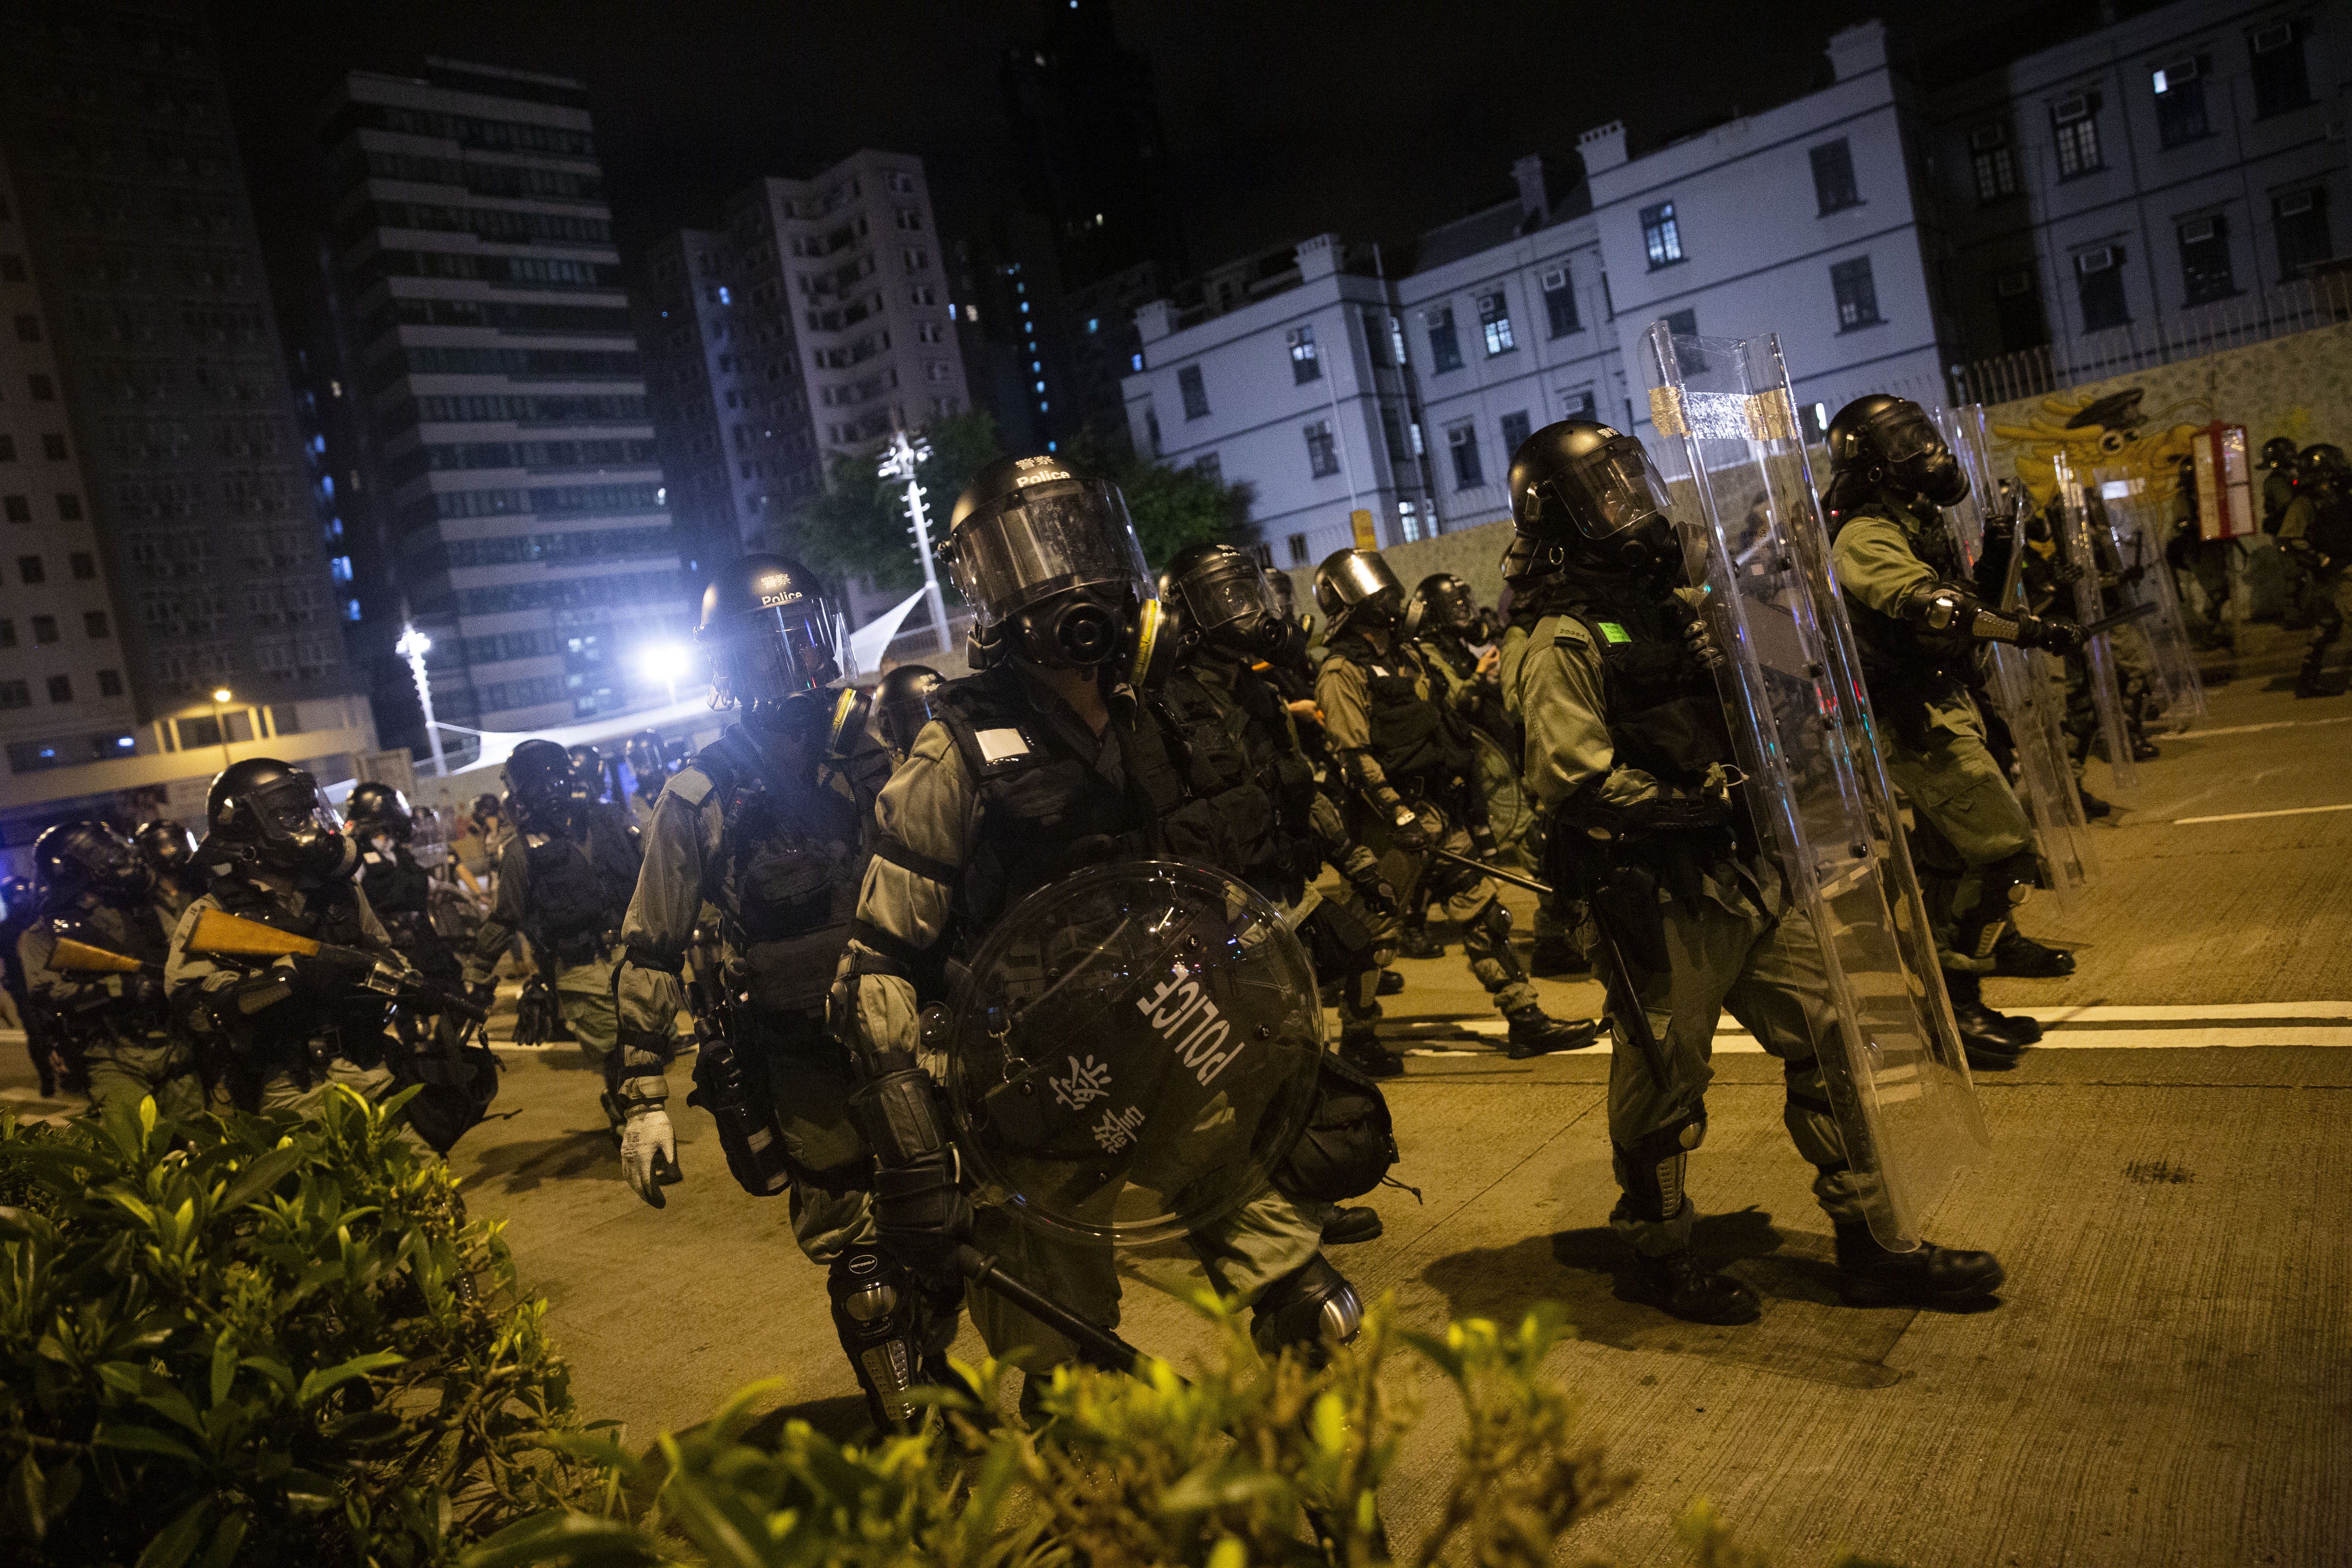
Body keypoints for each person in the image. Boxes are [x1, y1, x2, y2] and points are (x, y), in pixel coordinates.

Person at [834, 453, 1368, 1393]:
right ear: (984, 585)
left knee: (1311, 1301)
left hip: (1167, 1045)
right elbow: (877, 959)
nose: (1065, 578)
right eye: (1029, 557)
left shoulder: (1143, 712)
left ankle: (1332, 1516)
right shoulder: (954, 748)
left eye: (1077, 542)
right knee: (1073, 1382)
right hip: (1031, 1094)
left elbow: (1206, 865)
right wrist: (913, 1138)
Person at [1499, 417, 2005, 1321]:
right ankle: (1656, 1253)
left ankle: (1873, 1244)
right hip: (1656, 897)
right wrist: (1701, 803)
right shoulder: (1559, 637)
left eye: (1632, 481)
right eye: (1606, 493)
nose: (1632, 504)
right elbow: (1572, 784)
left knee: (1841, 1034)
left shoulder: (1670, 604)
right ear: (1561, 517)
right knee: (1665, 1086)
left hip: (1745, 876)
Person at [608, 555, 940, 1427]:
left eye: (800, 636)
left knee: (957, 1224)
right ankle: (909, 1422)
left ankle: (946, 1371)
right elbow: (649, 945)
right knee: (862, 1266)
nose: (789, 661)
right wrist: (642, 1094)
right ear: (726, 667)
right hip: (801, 1054)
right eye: (763, 649)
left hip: (923, 1027)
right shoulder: (701, 793)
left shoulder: (897, 747)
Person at [1820, 395, 2087, 1065]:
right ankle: (1970, 980)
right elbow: (1935, 609)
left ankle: (1962, 995)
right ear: (1878, 468)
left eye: (1926, 437)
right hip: (1912, 717)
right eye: (1911, 444)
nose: (1931, 453)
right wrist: (2025, 630)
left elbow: (1963, 603)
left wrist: (1995, 561)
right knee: (2003, 851)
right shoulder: (1865, 534)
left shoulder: (1918, 521)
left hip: (1947, 699)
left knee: (1949, 862)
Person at [1312, 547, 1595, 1058]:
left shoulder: (1409, 657)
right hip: (1393, 825)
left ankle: (1525, 1018)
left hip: (1442, 812)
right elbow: (1353, 758)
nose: (1384, 593)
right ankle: (1358, 1036)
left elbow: (1449, 731)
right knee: (1374, 933)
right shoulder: (1341, 672)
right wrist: (1399, 816)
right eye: (1368, 585)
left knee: (1486, 914)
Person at [164, 760, 415, 1131]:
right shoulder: (213, 913)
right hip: (286, 1091)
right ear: (247, 827)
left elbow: (382, 952)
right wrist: (285, 981)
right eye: (292, 817)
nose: (312, 826)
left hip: (367, 1071)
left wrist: (408, 981)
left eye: (309, 813)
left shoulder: (341, 893)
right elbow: (195, 1009)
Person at [461, 739, 657, 1131]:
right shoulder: (520, 852)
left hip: (630, 954)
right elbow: (505, 920)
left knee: (651, 1043)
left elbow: (653, 870)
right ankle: (636, 1120)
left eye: (553, 782)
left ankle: (629, 1105)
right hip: (578, 966)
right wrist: (476, 977)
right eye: (538, 786)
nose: (549, 794)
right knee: (618, 1049)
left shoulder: (611, 821)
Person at [19, 822, 202, 1120]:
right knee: (135, 1148)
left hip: (172, 1045)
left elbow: (181, 954)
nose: (118, 856)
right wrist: (121, 988)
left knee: (196, 1142)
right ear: (70, 868)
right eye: (99, 851)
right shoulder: (47, 934)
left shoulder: (144, 909)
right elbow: (48, 997)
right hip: (110, 1053)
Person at [345, 783, 466, 1054]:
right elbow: (353, 898)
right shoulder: (358, 855)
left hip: (423, 934)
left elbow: (428, 884)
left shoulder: (398, 850)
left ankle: (439, 1051)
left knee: (455, 987)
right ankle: (414, 1054)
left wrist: (468, 898)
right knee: (408, 998)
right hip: (394, 940)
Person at [2278, 443, 2352, 698]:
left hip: (2339, 568)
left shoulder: (2337, 495)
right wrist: (2320, 561)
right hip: (2335, 574)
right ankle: (2308, 681)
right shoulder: (2305, 501)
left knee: (2328, 624)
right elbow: (2290, 540)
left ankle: (2307, 681)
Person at [2165, 457, 2234, 652]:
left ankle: (2212, 632)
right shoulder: (2184, 498)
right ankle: (2208, 635)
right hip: (2196, 550)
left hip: (2210, 548)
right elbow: (2182, 524)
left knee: (2221, 591)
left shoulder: (2207, 496)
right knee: (2217, 592)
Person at [133, 820, 205, 924]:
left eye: (173, 844)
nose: (171, 850)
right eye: (162, 847)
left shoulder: (199, 883)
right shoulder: (147, 900)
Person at [621, 730, 673, 832]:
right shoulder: (636, 799)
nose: (639, 770)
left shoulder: (678, 786)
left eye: (641, 764)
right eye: (636, 765)